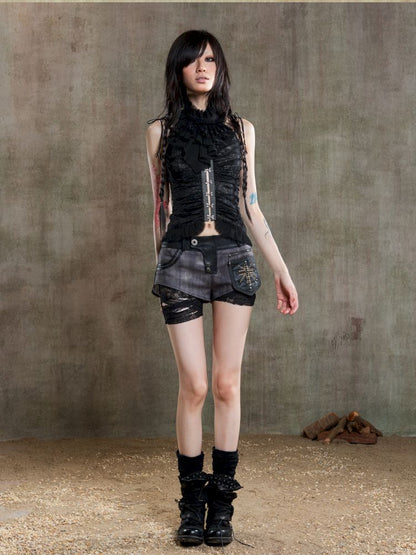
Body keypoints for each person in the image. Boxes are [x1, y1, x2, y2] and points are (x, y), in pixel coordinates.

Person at [146, 30, 299, 547]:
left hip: (235, 261)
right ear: (179, 70)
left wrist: (281, 270)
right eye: (193, 61)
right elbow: (158, 209)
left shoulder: (241, 129)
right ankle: (191, 504)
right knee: (194, 386)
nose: (203, 68)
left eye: (210, 59)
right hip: (180, 261)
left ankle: (222, 507)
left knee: (227, 385)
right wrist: (161, 265)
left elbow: (251, 204)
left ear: (220, 67)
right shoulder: (159, 132)